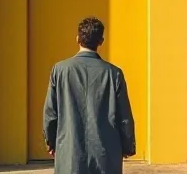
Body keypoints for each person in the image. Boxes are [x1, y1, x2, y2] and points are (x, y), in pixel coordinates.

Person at [42, 16, 136, 174]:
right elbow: (124, 116)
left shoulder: (59, 70)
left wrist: (50, 142)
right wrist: (127, 146)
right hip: (106, 156)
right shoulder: (114, 74)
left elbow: (50, 113)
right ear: (101, 41)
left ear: (77, 38)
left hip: (70, 155)